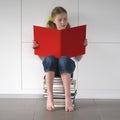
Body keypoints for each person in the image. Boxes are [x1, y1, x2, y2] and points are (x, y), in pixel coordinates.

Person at [33, 6, 87, 112]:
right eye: (60, 19)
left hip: (66, 67)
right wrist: (37, 49)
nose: (63, 22)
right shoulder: (46, 34)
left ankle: (68, 98)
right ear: (53, 20)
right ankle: (50, 96)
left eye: (65, 19)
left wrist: (82, 47)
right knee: (50, 58)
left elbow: (78, 59)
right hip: (52, 69)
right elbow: (45, 60)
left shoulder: (72, 34)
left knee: (63, 59)